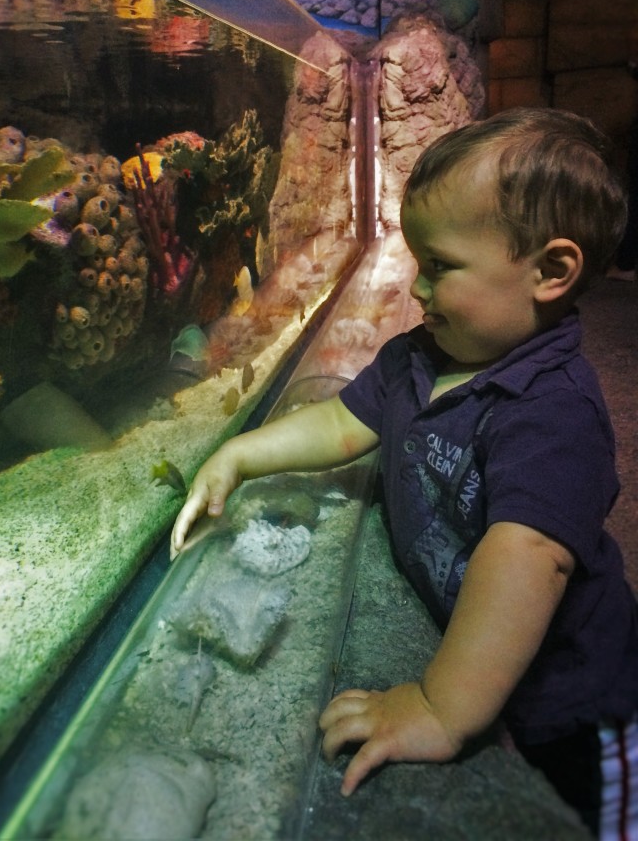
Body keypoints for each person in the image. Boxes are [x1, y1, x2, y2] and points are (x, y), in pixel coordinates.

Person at [171, 108, 638, 839]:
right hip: (498, 675)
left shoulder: (553, 414)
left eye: (442, 267)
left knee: (590, 816)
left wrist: (439, 705)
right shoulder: (417, 359)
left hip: (577, 695)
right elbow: (339, 424)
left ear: (551, 271)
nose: (417, 290)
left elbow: (527, 556)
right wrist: (241, 452)